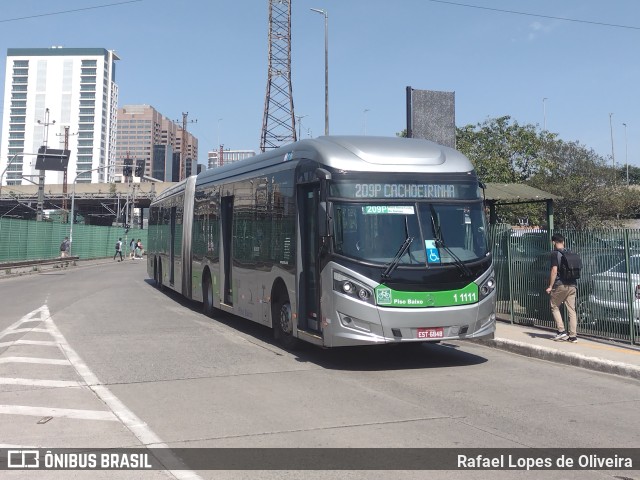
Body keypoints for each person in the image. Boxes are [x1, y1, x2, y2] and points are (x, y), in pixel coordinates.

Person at [546, 234, 578, 343]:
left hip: (561, 284)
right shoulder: (570, 252)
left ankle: (561, 331)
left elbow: (554, 270)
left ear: (553, 242)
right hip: (573, 284)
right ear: (563, 242)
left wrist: (550, 286)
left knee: (554, 305)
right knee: (572, 310)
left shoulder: (555, 254)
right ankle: (573, 336)